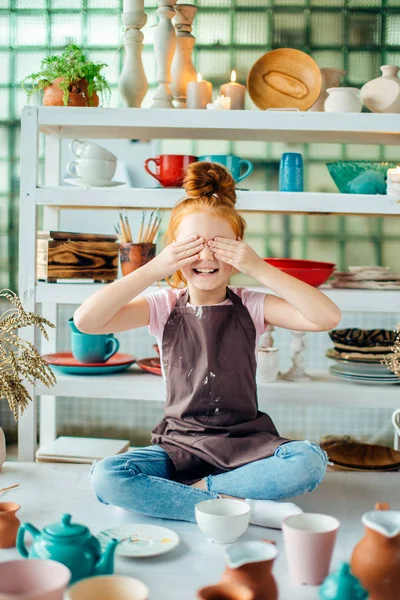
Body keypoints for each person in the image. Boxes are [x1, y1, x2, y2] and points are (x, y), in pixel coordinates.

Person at [74, 161, 341, 529]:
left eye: (220, 246)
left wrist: (259, 267)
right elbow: (87, 321)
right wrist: (153, 268)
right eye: (192, 246)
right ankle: (244, 505)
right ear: (174, 253)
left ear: (238, 252)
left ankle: (194, 496)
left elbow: (326, 317)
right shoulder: (162, 305)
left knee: (308, 460)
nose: (206, 257)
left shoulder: (251, 302)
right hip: (178, 446)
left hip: (246, 445)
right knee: (107, 475)